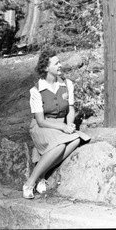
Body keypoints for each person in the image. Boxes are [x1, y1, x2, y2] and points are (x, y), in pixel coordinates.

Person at [22, 49, 90, 199]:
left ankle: (43, 173)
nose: (60, 65)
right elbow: (41, 121)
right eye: (56, 63)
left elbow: (71, 109)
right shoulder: (36, 90)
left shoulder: (67, 84)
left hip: (60, 126)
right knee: (59, 145)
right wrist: (63, 127)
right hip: (42, 127)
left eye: (59, 62)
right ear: (46, 68)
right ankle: (30, 182)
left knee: (76, 139)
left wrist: (70, 124)